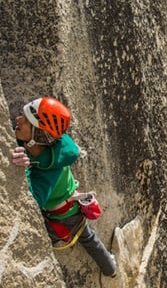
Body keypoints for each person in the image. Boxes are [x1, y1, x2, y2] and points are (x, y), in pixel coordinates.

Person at [10, 96, 117, 277]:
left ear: (37, 136)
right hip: (69, 200)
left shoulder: (46, 174)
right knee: (89, 239)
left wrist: (24, 171)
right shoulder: (55, 144)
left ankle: (111, 269)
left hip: (66, 215)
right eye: (22, 115)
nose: (18, 119)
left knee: (88, 239)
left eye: (25, 120)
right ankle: (111, 268)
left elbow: (33, 202)